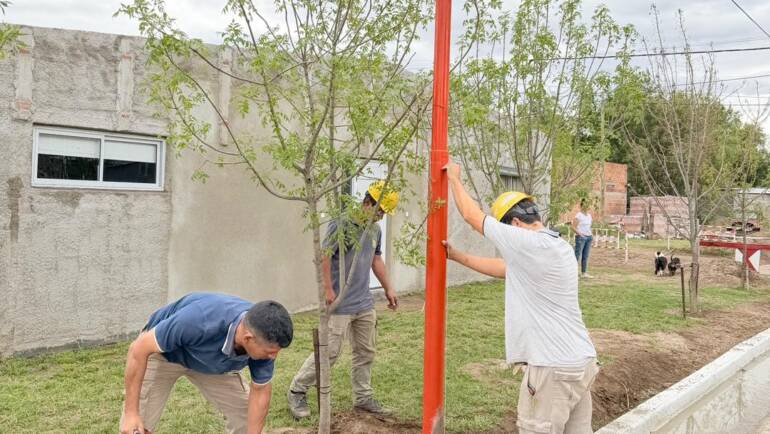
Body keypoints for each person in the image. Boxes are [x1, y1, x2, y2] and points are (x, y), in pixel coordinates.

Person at [442, 161, 599, 434]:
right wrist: (458, 257)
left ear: (515, 223)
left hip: (552, 368)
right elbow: (505, 269)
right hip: (582, 363)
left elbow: (471, 215)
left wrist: (454, 178)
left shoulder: (527, 242)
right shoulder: (556, 245)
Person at [287, 181, 399, 419]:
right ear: (367, 202)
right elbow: (325, 257)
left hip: (364, 302)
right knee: (330, 352)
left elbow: (376, 259)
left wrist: (389, 288)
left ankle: (363, 398)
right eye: (380, 211)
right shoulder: (341, 224)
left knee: (366, 351)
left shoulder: (375, 230)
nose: (381, 217)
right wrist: (328, 290)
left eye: (384, 213)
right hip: (339, 303)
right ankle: (297, 390)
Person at [119, 293, 294, 434]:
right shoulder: (198, 320)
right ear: (248, 338)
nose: (273, 357)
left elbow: (261, 391)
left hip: (212, 363)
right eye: (270, 352)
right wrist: (131, 413)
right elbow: (138, 349)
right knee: (136, 427)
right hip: (165, 354)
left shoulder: (263, 341)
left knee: (246, 418)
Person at [572, 198, 594, 278]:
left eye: (588, 204)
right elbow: (573, 227)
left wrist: (591, 235)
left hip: (589, 238)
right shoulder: (578, 215)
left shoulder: (589, 216)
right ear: (581, 205)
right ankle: (573, 273)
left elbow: (589, 227)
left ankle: (584, 273)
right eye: (585, 204)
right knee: (577, 256)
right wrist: (580, 234)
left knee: (585, 256)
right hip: (581, 238)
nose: (587, 206)